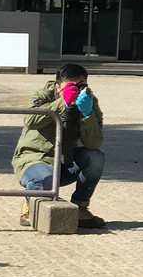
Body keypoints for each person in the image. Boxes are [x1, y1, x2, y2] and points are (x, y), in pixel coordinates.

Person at [12, 62, 106, 229]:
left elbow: (94, 143)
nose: (77, 90)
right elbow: (29, 120)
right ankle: (30, 206)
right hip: (34, 159)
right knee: (44, 178)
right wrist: (62, 103)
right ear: (57, 86)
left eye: (82, 84)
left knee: (95, 158)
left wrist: (88, 115)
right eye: (71, 85)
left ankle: (80, 208)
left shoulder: (89, 100)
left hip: (65, 160)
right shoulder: (43, 95)